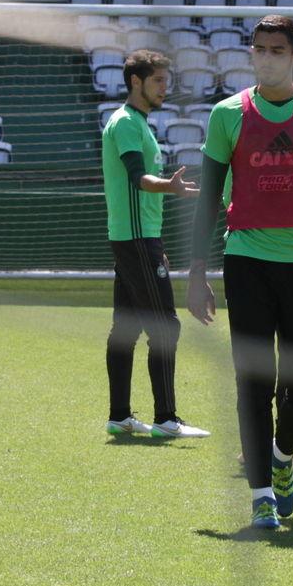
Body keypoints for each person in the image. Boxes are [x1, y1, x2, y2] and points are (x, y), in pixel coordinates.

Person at [187, 15, 293, 531]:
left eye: (277, 50)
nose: (267, 58)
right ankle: (261, 493)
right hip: (248, 263)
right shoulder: (226, 114)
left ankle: (282, 458)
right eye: (259, 49)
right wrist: (196, 271)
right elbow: (209, 199)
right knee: (253, 380)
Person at [101, 49, 206, 438]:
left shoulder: (138, 123)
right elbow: (137, 177)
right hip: (137, 238)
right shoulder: (127, 123)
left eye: (166, 80)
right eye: (158, 80)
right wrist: (170, 187)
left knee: (125, 329)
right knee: (166, 326)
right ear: (136, 81)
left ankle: (119, 416)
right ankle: (166, 419)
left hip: (137, 237)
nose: (166, 87)